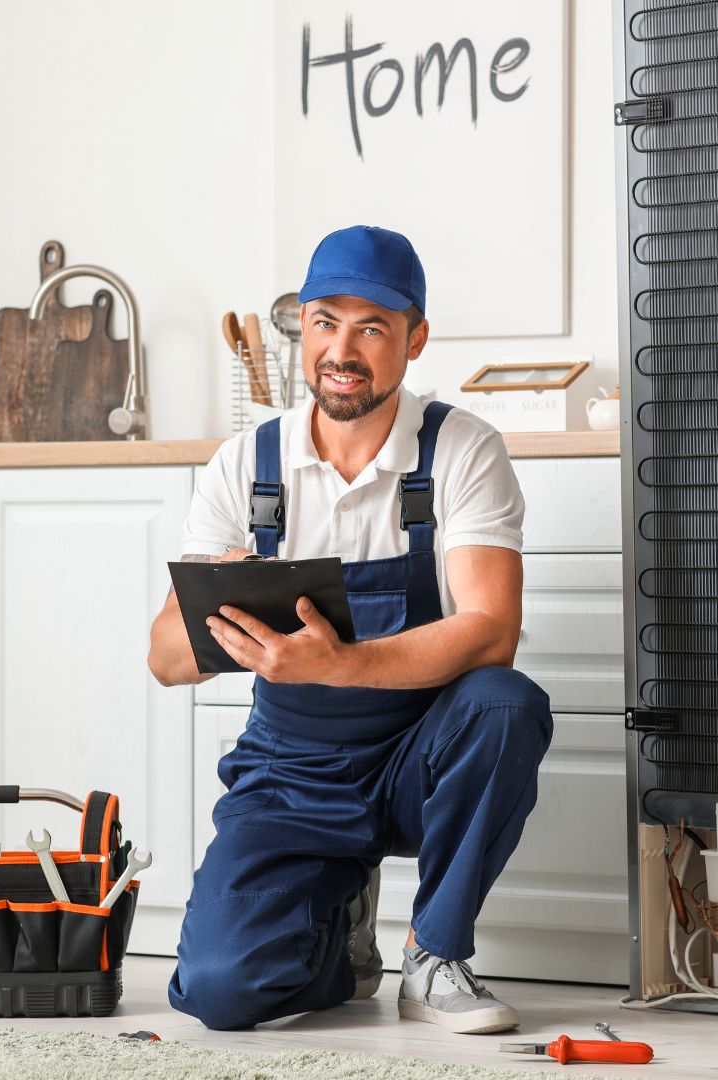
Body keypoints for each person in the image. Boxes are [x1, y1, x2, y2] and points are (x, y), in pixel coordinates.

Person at [148, 225, 551, 1033]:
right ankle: (342, 940)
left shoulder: (460, 451)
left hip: (417, 755)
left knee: (505, 703)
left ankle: (435, 958)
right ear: (302, 326)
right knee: (220, 993)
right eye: (326, 321)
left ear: (415, 338)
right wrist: (214, 602)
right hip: (291, 768)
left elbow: (488, 632)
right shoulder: (247, 465)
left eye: (372, 327)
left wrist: (339, 662)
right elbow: (163, 660)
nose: (343, 348)